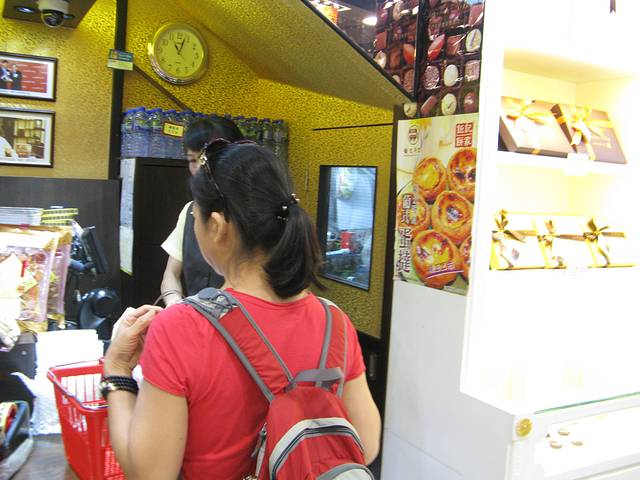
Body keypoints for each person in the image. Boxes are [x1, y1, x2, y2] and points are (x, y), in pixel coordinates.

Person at [104, 141, 381, 479]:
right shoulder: (334, 321)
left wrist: (117, 371)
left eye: (195, 217)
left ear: (217, 226)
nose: (194, 227)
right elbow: (366, 445)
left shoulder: (179, 328)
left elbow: (149, 474)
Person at [160, 117, 244, 306]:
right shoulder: (190, 211)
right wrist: (174, 303)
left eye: (206, 158)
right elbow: (171, 274)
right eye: (192, 160)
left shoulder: (252, 214)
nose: (199, 168)